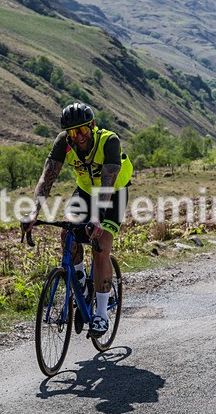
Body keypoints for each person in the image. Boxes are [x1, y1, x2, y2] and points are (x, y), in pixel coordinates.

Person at [22, 103, 133, 337]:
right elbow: (47, 178)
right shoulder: (64, 142)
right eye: (73, 132)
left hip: (112, 193)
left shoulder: (109, 142)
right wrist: (34, 213)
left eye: (82, 130)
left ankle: (101, 314)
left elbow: (107, 183)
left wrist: (96, 218)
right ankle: (80, 281)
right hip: (84, 192)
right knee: (67, 233)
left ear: (92, 126)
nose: (79, 137)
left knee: (100, 246)